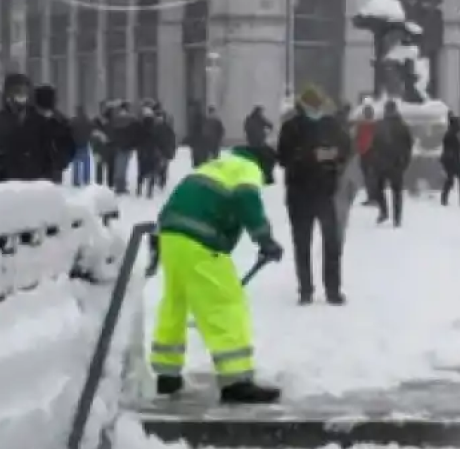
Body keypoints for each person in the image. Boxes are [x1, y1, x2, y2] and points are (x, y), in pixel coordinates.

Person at [151, 144, 285, 402]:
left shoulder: (215, 166)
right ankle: (235, 381)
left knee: (175, 302)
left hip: (171, 236)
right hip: (201, 241)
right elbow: (248, 199)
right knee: (225, 304)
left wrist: (157, 241)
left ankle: (167, 374)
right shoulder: (246, 168)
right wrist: (264, 240)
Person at [276, 85, 353, 304]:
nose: (317, 109)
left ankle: (333, 289)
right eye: (314, 105)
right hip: (299, 193)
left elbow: (347, 148)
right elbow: (282, 157)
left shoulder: (332, 125)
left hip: (326, 192)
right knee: (302, 243)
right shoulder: (291, 127)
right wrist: (309, 156)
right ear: (304, 106)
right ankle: (306, 289)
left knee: (332, 242)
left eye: (320, 105)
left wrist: (334, 157)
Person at [0, 73, 58, 183]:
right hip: (7, 186)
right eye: (17, 91)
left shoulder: (41, 121)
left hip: (36, 186)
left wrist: (50, 179)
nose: (21, 96)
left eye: (24, 92)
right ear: (8, 95)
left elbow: (49, 154)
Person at [371, 100, 414, 226]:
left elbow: (374, 143)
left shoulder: (382, 125)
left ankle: (385, 212)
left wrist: (375, 158)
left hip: (384, 162)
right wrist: (405, 161)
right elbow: (409, 145)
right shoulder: (401, 125)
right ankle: (396, 217)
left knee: (379, 189)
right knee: (396, 191)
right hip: (395, 162)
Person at [440, 113, 460, 207]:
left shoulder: (451, 134)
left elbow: (456, 148)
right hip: (451, 161)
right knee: (453, 180)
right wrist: (459, 163)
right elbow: (452, 151)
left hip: (450, 160)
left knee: (452, 180)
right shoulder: (450, 135)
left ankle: (445, 199)